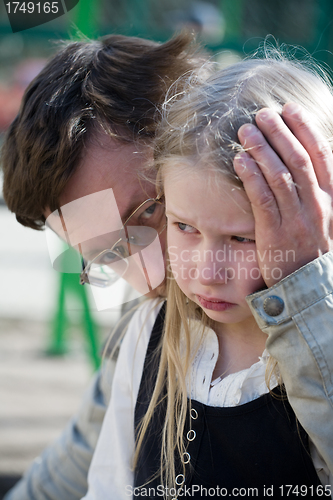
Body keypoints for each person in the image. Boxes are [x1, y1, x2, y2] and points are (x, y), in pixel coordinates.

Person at [2, 34, 333, 500]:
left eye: (149, 214)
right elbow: (82, 459)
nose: (151, 275)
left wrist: (306, 291)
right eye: (109, 254)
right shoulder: (148, 330)